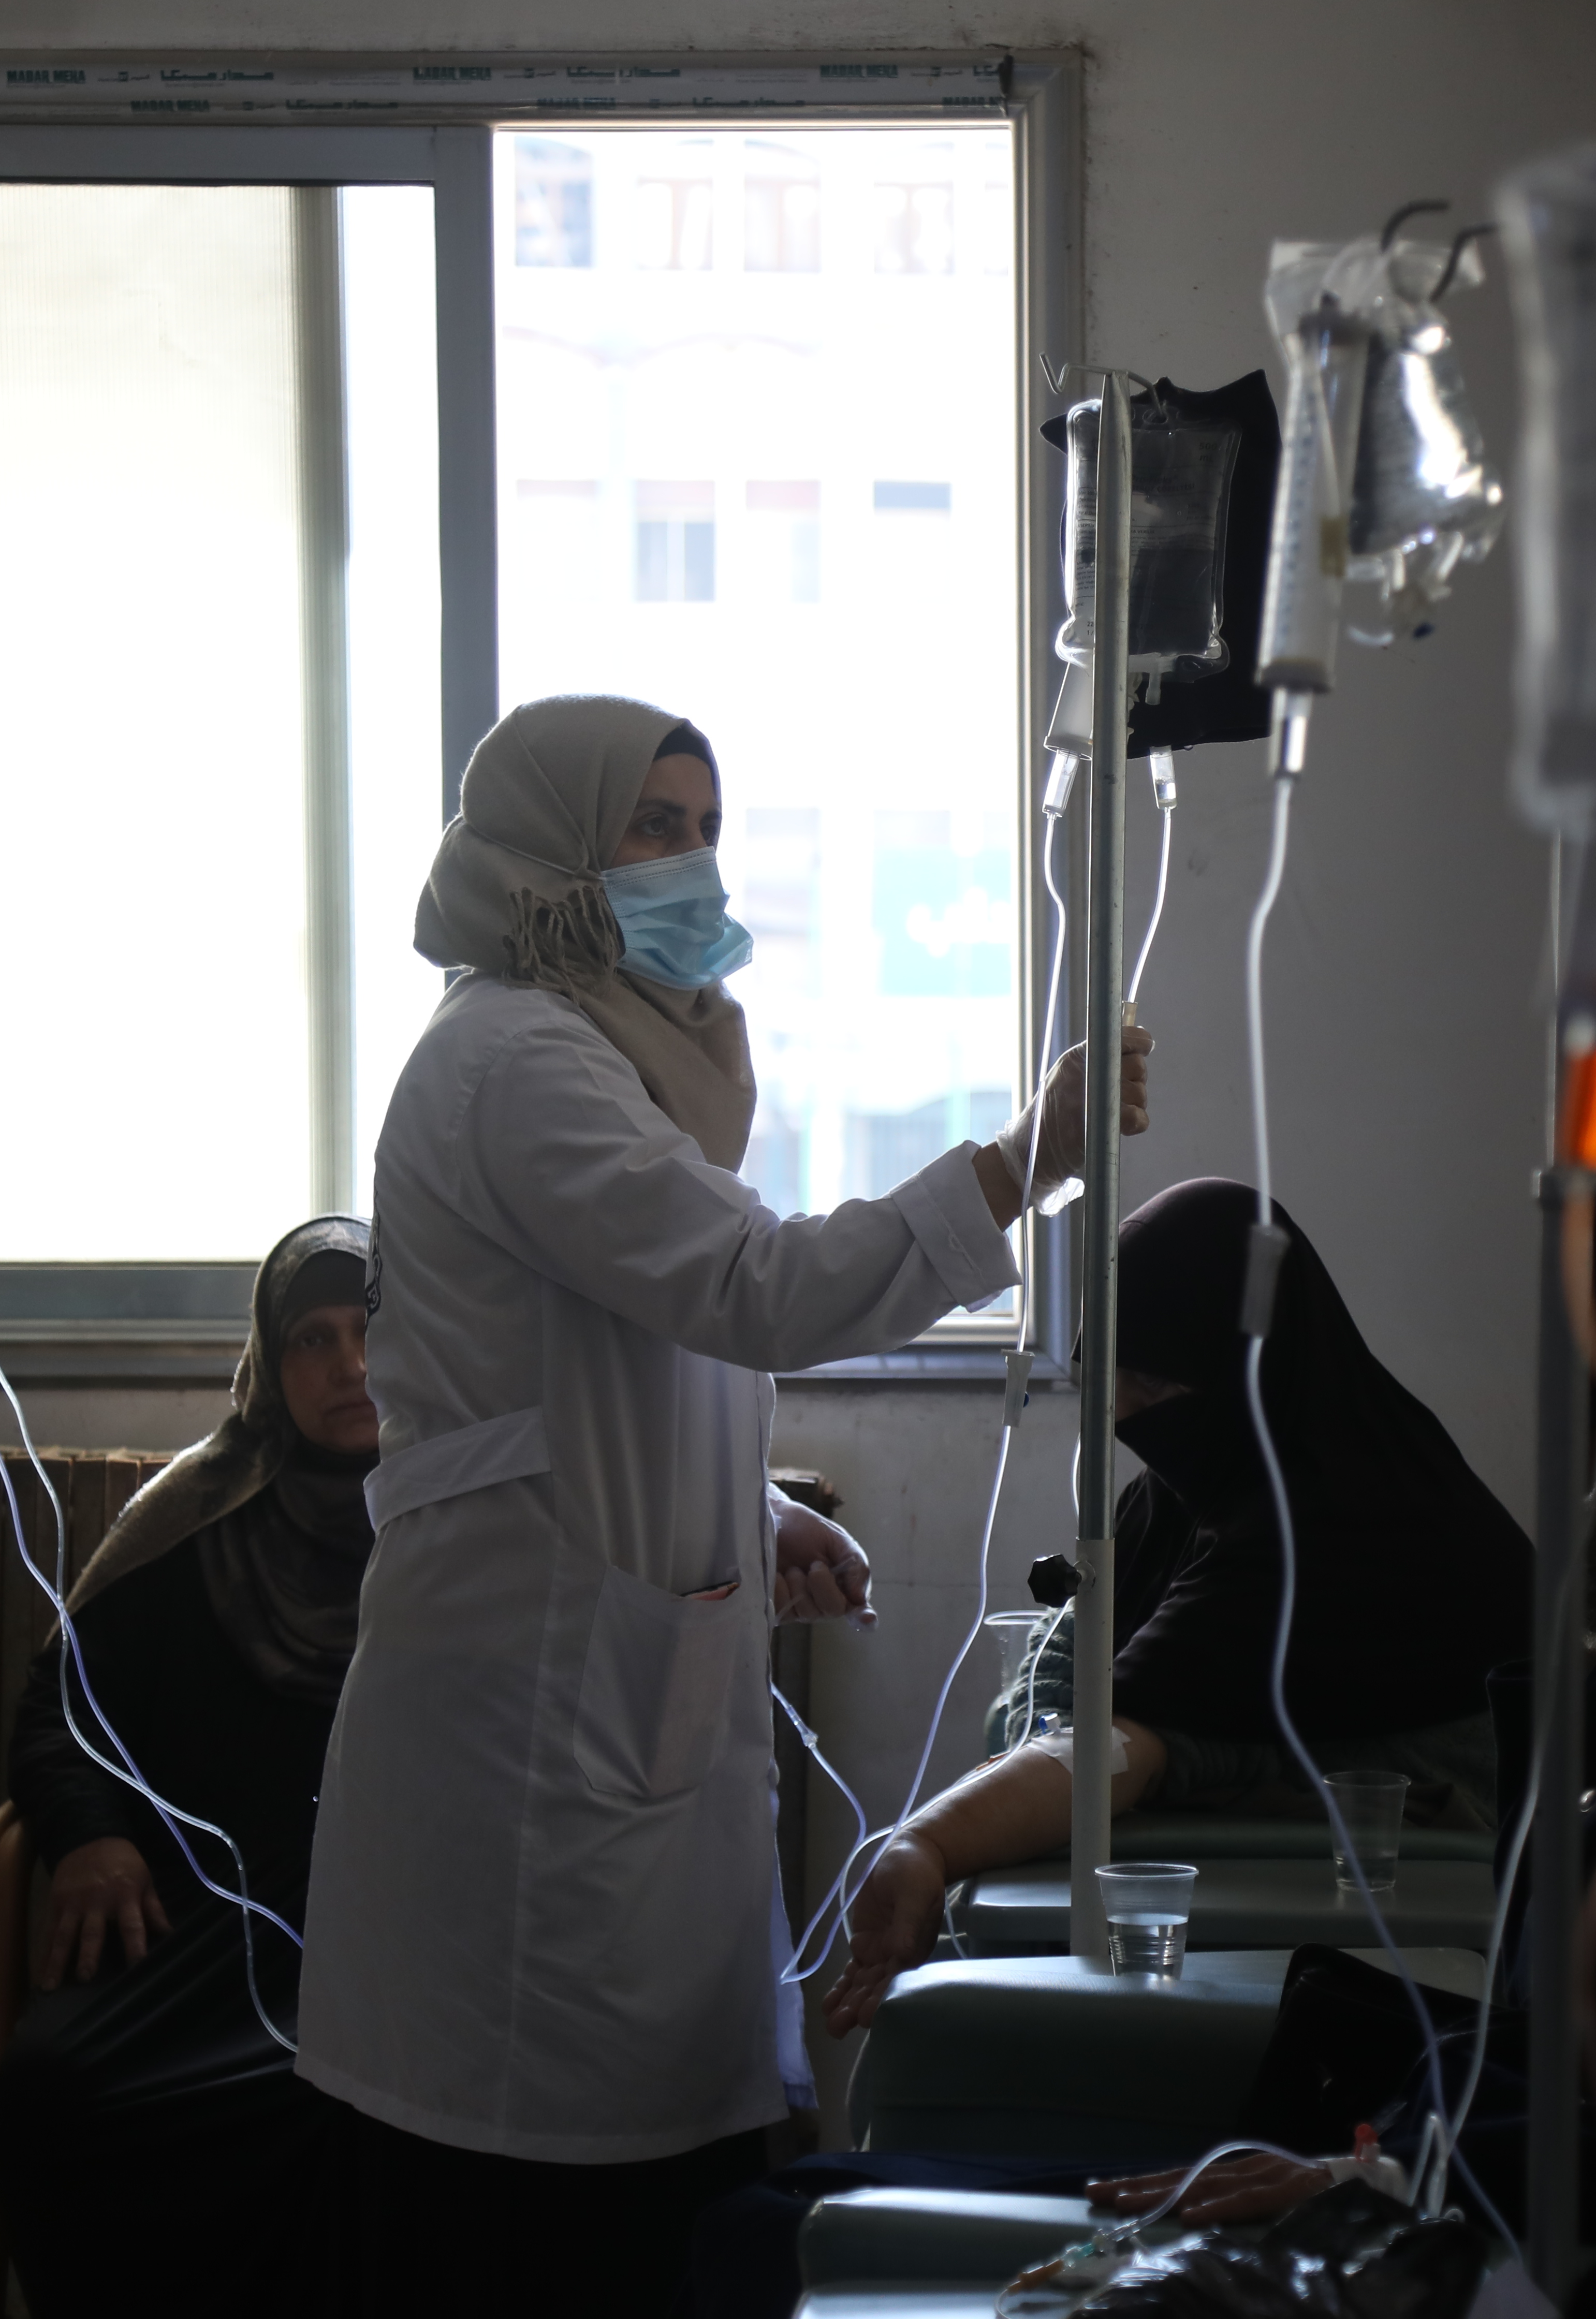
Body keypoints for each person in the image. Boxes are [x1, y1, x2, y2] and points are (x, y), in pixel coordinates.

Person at [297, 695, 1150, 2317]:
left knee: (652, 2177)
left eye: (707, 827)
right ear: (545, 846)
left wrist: (744, 1506)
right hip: (526, 1738)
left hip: (609, 1687)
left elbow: (585, 1367)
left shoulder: (604, 1055)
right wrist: (1014, 1163)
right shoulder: (517, 1063)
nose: (694, 863)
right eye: (654, 828)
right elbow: (747, 1286)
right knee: (526, 2211)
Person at [823, 1177, 1534, 2036]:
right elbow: (1077, 1676)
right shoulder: (1190, 1487)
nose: (1125, 1418)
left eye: (1153, 1394)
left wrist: (926, 1844)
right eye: (1114, 1383)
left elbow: (1116, 1749)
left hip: (1434, 1893)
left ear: (1245, 1368)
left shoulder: (1328, 1521)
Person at [0, 1215, 378, 2317]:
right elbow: (57, 1707)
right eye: (313, 1338)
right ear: (268, 1360)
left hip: (397, 1925)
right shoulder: (195, 1517)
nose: (350, 1365)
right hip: (200, 1918)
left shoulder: (465, 1513)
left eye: (374, 1330)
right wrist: (91, 1835)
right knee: (48, 2099)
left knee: (376, 2111)